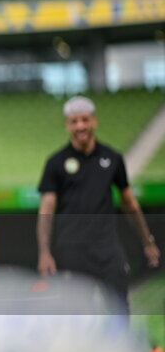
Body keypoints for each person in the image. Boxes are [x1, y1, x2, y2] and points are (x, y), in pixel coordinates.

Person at [37, 96, 159, 311]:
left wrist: (147, 241)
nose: (80, 126)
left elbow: (130, 204)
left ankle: (118, 346)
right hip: (71, 250)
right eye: (74, 121)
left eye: (84, 120)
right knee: (74, 313)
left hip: (107, 250)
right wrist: (44, 252)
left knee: (119, 308)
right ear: (67, 125)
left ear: (94, 121)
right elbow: (46, 210)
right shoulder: (55, 163)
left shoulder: (112, 158)